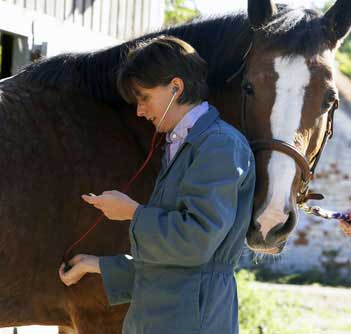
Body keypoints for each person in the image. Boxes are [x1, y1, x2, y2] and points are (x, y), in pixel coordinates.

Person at [58, 35, 256, 334]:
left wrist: (133, 213)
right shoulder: (183, 144)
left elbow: (195, 243)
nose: (139, 110)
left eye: (144, 97)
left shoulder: (219, 145)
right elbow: (168, 265)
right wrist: (96, 265)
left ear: (176, 87)